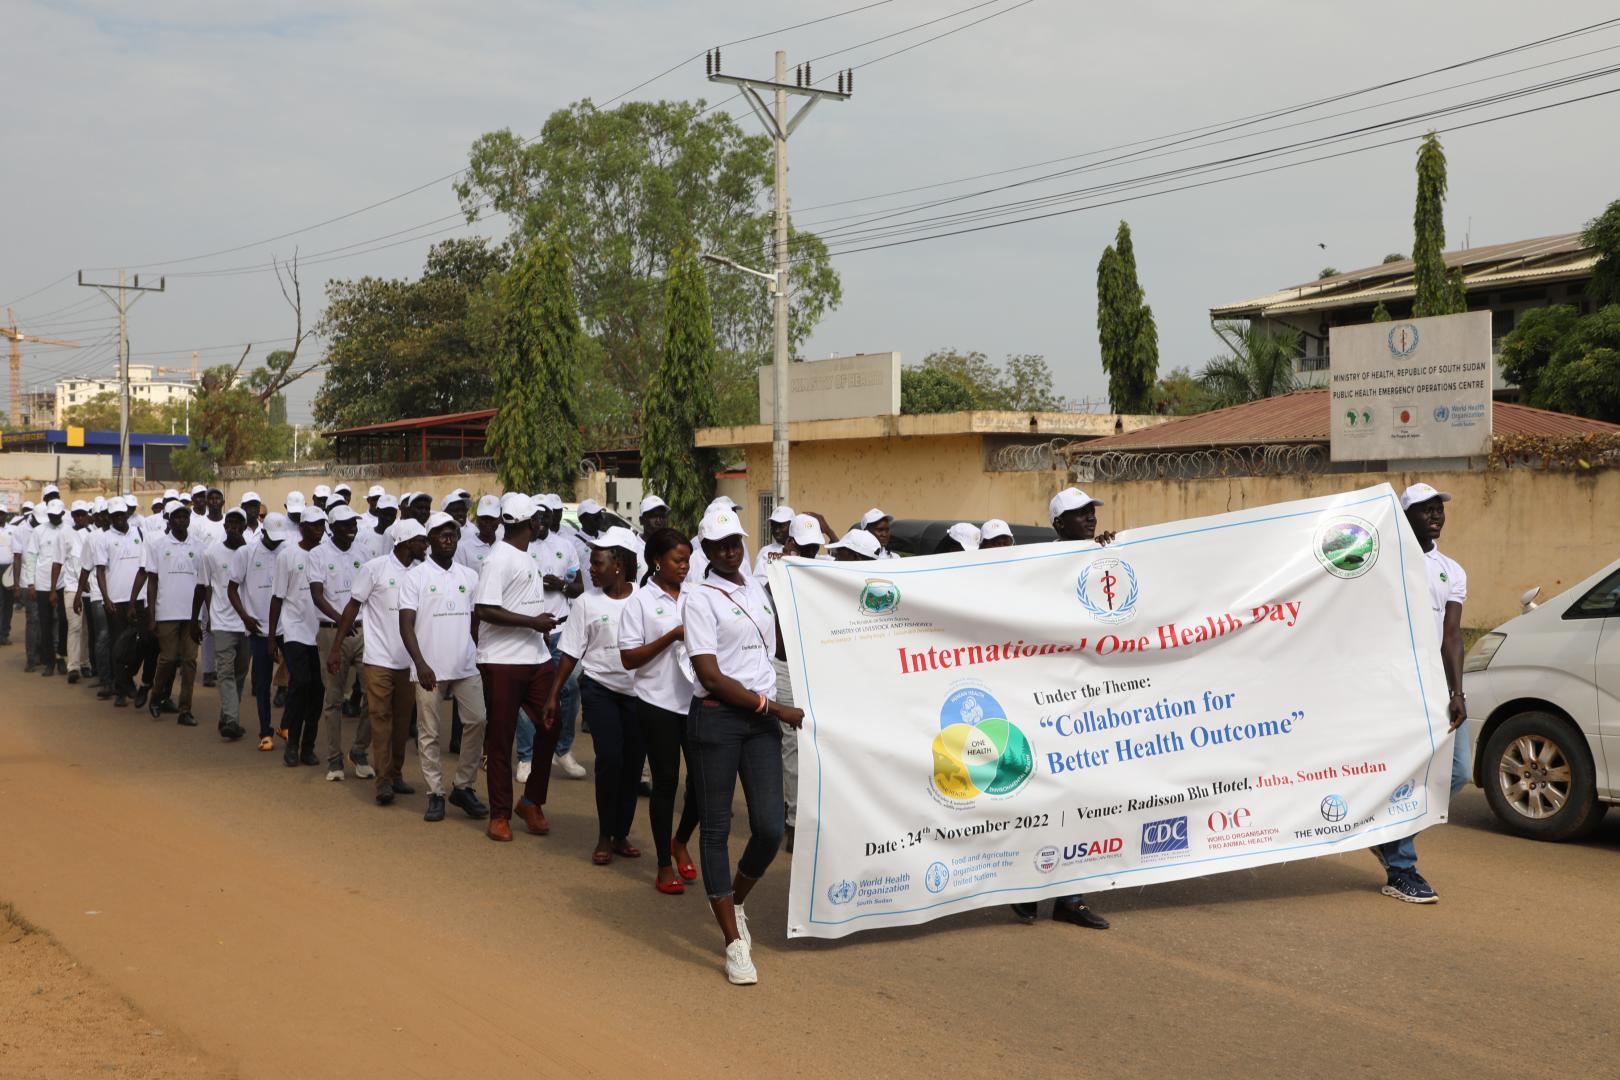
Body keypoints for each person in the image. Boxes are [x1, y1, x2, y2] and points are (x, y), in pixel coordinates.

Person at [684, 509, 804, 985]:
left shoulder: (757, 587)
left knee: (770, 828)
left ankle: (735, 902)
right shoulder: (698, 598)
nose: (729, 551)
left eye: (734, 542)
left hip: (759, 721)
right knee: (714, 829)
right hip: (718, 719)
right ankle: (733, 942)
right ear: (707, 551)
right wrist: (775, 710)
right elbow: (709, 675)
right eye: (719, 546)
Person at [1009, 487, 1114, 931]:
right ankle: (1026, 888)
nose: (1089, 518)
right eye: (1079, 514)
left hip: (1092, 697)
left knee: (1087, 796)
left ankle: (1071, 898)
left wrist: (1114, 555)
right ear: (1058, 524)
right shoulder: (1039, 566)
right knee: (1042, 794)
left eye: (1091, 511)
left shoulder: (1105, 556)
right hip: (1046, 697)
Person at [1373, 483, 1471, 904]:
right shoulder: (1386, 564)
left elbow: (1452, 636)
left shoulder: (1452, 569)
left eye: (1439, 509)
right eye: (1425, 509)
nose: (1436, 515)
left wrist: (1457, 691)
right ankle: (1401, 868)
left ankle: (1389, 832)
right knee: (1404, 771)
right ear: (1405, 516)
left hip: (1436, 688)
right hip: (1396, 686)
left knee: (1458, 770)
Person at [545, 526, 644, 865]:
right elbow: (570, 652)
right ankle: (604, 835)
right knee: (610, 760)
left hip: (639, 695)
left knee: (632, 766)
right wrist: (554, 695)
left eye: (598, 563)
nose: (591, 569)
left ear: (618, 565)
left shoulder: (643, 599)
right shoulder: (586, 602)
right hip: (599, 689)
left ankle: (621, 834)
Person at [619, 527, 703, 894]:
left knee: (703, 783)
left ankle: (681, 839)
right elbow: (628, 658)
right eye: (678, 560)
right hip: (657, 702)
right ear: (657, 561)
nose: (685, 566)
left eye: (687, 559)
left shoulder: (696, 596)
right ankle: (664, 864)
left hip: (697, 699)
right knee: (666, 782)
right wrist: (671, 635)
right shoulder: (639, 602)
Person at [473, 494, 560, 842]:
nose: (541, 524)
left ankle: (531, 801)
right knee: (500, 739)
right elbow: (484, 609)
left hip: (536, 658)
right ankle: (499, 814)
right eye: (538, 519)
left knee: (552, 726)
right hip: (501, 660)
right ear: (530, 523)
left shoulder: (524, 555)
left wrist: (537, 625)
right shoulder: (498, 559)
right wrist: (532, 622)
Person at [399, 513, 489, 823]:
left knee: (478, 720)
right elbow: (406, 625)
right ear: (430, 540)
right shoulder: (416, 577)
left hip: (466, 665)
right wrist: (420, 663)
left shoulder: (470, 576)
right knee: (430, 733)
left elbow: (478, 620)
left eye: (452, 535)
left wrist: (478, 654)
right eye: (441, 535)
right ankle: (435, 793)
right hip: (430, 669)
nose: (448, 540)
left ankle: (463, 786)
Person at [329, 518, 426, 806]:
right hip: (378, 659)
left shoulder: (422, 572)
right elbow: (352, 606)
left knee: (401, 721)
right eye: (422, 539)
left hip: (408, 662)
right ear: (407, 542)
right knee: (380, 719)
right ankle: (383, 781)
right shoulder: (375, 568)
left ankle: (395, 774)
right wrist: (336, 647)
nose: (426, 544)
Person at [514, 497, 585, 783]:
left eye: (545, 517)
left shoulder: (564, 546)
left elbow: (578, 586)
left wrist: (562, 586)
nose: (541, 522)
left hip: (560, 630)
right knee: (526, 694)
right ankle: (526, 756)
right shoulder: (519, 548)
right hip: (528, 630)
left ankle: (562, 749)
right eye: (536, 517)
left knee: (570, 687)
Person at [310, 504, 374, 782]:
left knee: (374, 695)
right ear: (331, 527)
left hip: (363, 632)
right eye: (346, 523)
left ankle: (359, 751)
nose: (352, 527)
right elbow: (317, 595)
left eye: (354, 523)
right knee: (333, 698)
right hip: (331, 631)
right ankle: (334, 758)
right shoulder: (318, 554)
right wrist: (342, 622)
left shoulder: (364, 553)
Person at [132, 500, 206, 726]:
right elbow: (152, 582)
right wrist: (152, 615)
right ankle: (156, 696)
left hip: (191, 614)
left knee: (190, 661)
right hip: (166, 611)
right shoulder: (158, 545)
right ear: (170, 520)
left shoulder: (199, 546)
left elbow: (202, 584)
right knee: (168, 658)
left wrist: (202, 616)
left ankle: (186, 708)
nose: (181, 520)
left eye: (185, 516)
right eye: (177, 517)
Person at [269, 507, 328, 767]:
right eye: (314, 525)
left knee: (318, 690)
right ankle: (291, 743)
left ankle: (308, 747)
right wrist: (272, 636)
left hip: (321, 632)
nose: (319, 530)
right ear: (302, 527)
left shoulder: (327, 555)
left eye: (322, 525)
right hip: (294, 629)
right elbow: (277, 597)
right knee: (300, 684)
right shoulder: (288, 556)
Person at [234, 511, 292, 750]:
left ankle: (286, 725)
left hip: (286, 628)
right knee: (262, 684)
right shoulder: (246, 553)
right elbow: (231, 588)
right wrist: (245, 617)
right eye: (272, 536)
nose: (277, 541)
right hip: (258, 627)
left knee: (294, 679)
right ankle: (265, 731)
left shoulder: (288, 551)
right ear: (263, 531)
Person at [200, 508, 252, 740]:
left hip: (246, 622)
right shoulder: (211, 552)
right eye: (229, 522)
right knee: (225, 672)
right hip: (221, 620)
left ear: (243, 526)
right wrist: (206, 616)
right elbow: (206, 586)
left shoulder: (252, 552)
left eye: (237, 522)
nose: (232, 526)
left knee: (240, 672)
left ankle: (226, 716)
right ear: (224, 526)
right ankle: (232, 719)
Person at [29, 500, 70, 677]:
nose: (54, 517)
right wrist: (31, 583)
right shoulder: (39, 531)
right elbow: (31, 557)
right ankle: (50, 661)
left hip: (65, 582)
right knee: (45, 624)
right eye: (51, 515)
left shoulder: (69, 530)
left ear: (62, 514)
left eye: (56, 514)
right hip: (43, 583)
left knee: (64, 620)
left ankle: (61, 657)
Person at [455, 495, 501, 573]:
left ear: (499, 519)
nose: (488, 522)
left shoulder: (504, 545)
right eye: (484, 518)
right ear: (477, 519)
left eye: (492, 518)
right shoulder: (462, 548)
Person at [751, 506, 795, 581]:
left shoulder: (803, 549)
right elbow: (759, 582)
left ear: (792, 525)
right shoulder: (765, 552)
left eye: (781, 526)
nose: (776, 530)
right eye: (773, 525)